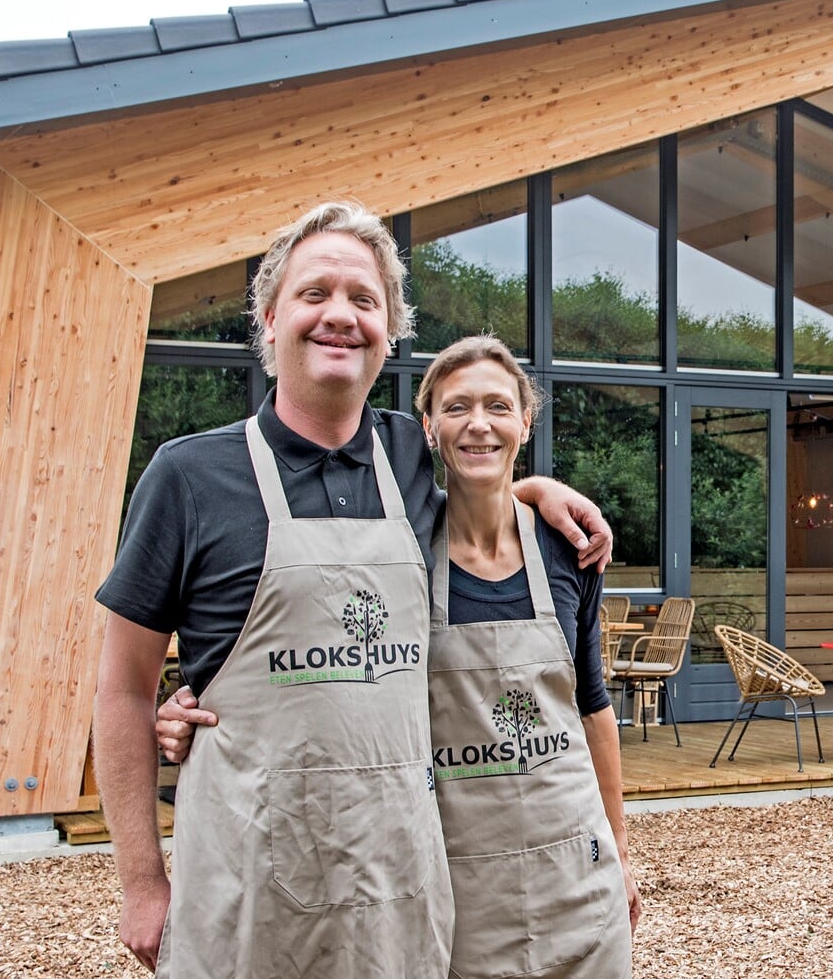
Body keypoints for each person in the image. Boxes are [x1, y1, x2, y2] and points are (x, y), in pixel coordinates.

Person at [93, 202, 613, 976]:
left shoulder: (409, 456)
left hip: (398, 900)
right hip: (245, 892)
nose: (340, 315)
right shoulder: (189, 475)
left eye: (364, 300)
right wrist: (141, 881)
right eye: (314, 294)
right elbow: (123, 689)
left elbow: (482, 487)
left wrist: (538, 489)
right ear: (270, 321)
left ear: (389, 332)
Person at [159, 335, 638, 976]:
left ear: (527, 419)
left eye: (499, 406)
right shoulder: (403, 542)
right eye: (457, 407)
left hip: (580, 876)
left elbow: (593, 710)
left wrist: (621, 855)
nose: (479, 423)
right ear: (429, 429)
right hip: (458, 883)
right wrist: (215, 699)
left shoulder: (566, 548)